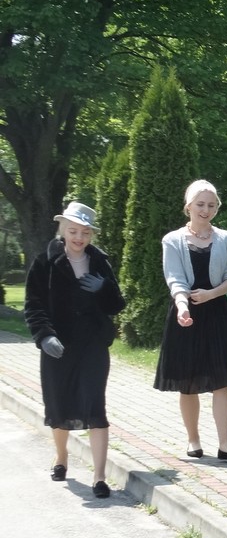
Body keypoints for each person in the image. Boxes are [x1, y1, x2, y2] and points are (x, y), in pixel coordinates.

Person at [24, 202, 126, 498]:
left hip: (92, 344)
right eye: (73, 231)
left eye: (85, 232)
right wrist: (44, 336)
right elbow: (33, 304)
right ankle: (61, 457)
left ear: (91, 234)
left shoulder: (100, 261)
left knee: (95, 405)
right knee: (59, 403)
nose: (79, 238)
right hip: (58, 344)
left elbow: (116, 305)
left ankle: (99, 477)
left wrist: (104, 289)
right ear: (63, 230)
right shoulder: (45, 261)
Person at [154, 180, 227, 460]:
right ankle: (193, 440)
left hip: (217, 313)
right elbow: (175, 279)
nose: (206, 210)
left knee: (222, 380)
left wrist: (211, 295)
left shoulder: (226, 238)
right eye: (201, 204)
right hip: (186, 315)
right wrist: (183, 307)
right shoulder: (172, 240)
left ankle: (225, 445)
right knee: (188, 381)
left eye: (211, 205)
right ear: (189, 206)